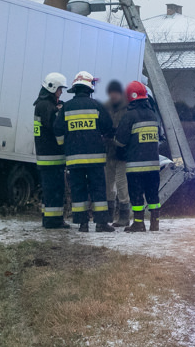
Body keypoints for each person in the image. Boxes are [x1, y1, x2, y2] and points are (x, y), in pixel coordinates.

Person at [54, 71, 115, 232]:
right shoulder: (97, 106)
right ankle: (101, 223)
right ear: (89, 89)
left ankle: (82, 224)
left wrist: (64, 144)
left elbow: (57, 130)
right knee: (98, 189)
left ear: (75, 89)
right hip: (95, 158)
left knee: (78, 190)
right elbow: (108, 127)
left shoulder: (66, 107)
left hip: (74, 159)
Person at [115, 81, 161, 232]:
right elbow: (159, 136)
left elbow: (120, 141)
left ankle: (139, 223)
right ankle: (155, 223)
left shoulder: (129, 116)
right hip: (154, 166)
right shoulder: (153, 115)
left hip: (136, 166)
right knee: (153, 195)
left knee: (136, 196)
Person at [33, 72, 70, 229]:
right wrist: (61, 113)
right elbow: (56, 126)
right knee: (55, 190)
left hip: (46, 156)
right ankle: (53, 221)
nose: (61, 92)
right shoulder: (47, 107)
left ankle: (49, 219)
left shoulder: (42, 105)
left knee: (50, 190)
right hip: (52, 156)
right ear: (52, 87)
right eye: (59, 89)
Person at [103, 80, 131, 228]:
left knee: (121, 184)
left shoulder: (127, 108)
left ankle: (124, 216)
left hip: (122, 154)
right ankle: (109, 214)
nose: (113, 95)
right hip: (108, 152)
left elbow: (126, 130)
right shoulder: (106, 107)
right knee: (108, 185)